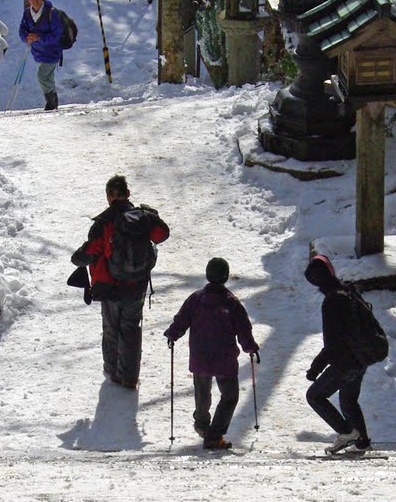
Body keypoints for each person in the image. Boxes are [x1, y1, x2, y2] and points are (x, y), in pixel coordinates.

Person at [71, 174, 169, 389]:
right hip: (136, 285)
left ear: (108, 196)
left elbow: (91, 251)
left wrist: (77, 258)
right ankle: (130, 378)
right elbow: (162, 235)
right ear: (128, 194)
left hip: (109, 287)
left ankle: (113, 371)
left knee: (111, 327)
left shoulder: (103, 222)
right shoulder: (143, 217)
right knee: (131, 329)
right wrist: (153, 215)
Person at [164, 258, 259, 449]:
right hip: (224, 359)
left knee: (202, 392)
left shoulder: (196, 299)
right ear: (225, 276)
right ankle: (214, 435)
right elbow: (243, 329)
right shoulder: (231, 303)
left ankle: (202, 425)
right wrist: (251, 348)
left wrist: (173, 334)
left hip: (200, 357)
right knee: (230, 395)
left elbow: (182, 320)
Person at [304, 254, 372, 454]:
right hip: (362, 357)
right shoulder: (350, 291)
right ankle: (362, 442)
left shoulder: (332, 301)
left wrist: (316, 368)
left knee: (315, 396)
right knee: (349, 400)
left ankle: (346, 433)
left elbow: (333, 343)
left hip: (347, 361)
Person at [18, 0, 64, 111]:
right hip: (37, 51)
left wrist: (39, 37)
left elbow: (57, 34)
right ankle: (54, 101)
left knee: (42, 76)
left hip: (52, 51)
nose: (35, 0)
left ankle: (51, 102)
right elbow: (22, 29)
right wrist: (26, 37)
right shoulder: (27, 13)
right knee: (47, 77)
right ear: (28, 0)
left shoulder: (51, 13)